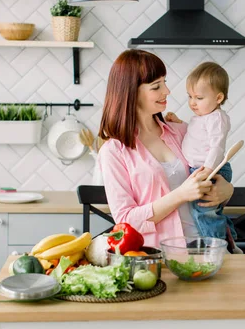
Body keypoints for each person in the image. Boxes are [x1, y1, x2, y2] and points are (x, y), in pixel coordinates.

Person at [97, 50, 234, 250]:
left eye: (165, 82)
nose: (167, 91)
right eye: (156, 86)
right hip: (160, 257)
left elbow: (213, 177)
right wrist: (180, 194)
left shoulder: (181, 131)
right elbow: (125, 221)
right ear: (131, 92)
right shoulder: (114, 152)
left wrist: (227, 190)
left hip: (210, 249)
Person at [164, 62, 238, 249]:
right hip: (200, 168)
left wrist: (209, 170)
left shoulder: (217, 118)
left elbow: (217, 146)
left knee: (204, 211)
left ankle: (216, 247)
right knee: (209, 211)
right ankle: (227, 237)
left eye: (199, 97)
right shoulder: (203, 117)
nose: (192, 102)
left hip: (209, 169)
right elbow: (195, 136)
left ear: (218, 97)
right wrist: (179, 122)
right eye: (190, 96)